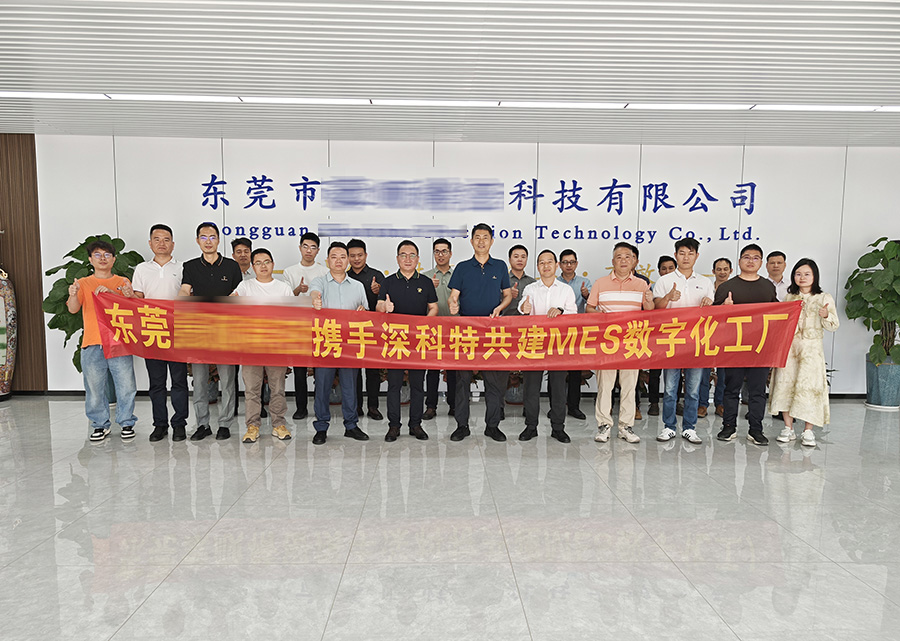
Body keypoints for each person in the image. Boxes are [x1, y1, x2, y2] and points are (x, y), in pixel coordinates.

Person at [67, 239, 138, 442]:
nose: (103, 258)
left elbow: (134, 309)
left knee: (126, 386)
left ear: (114, 259)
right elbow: (73, 309)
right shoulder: (83, 283)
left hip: (119, 343)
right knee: (94, 388)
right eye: (98, 255)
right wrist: (73, 294)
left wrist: (117, 295)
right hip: (92, 343)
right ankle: (99, 425)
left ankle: (126, 422)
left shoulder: (122, 282)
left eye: (107, 255)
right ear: (90, 259)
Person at [447, 223, 513, 442]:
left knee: (493, 381)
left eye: (486, 237)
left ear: (492, 241)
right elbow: (453, 296)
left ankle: (492, 426)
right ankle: (462, 425)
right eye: (477, 237)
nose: (481, 241)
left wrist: (500, 307)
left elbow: (507, 295)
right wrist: (453, 304)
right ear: (471, 241)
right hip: (466, 331)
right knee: (462, 380)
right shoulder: (463, 268)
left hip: (492, 331)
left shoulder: (500, 266)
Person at [179, 222, 243, 441]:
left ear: (218, 240)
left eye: (212, 237)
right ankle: (202, 424)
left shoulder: (232, 266)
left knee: (227, 380)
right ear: (198, 241)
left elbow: (238, 294)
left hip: (226, 331)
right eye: (204, 237)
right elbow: (185, 290)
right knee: (199, 380)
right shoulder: (190, 266)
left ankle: (225, 424)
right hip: (199, 330)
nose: (208, 241)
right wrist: (180, 302)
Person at [587, 242, 655, 444]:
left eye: (628, 257)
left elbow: (649, 312)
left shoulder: (642, 284)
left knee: (629, 386)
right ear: (612, 261)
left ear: (634, 261)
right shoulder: (600, 283)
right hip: (606, 344)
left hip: (631, 343)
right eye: (619, 257)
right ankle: (604, 425)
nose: (623, 260)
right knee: (605, 387)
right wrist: (600, 317)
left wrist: (649, 300)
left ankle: (626, 426)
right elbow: (589, 308)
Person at [769, 259, 839, 447]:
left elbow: (834, 325)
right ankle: (788, 428)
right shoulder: (789, 297)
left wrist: (826, 315)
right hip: (789, 349)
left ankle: (808, 430)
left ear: (814, 276)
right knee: (785, 385)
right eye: (798, 274)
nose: (802, 278)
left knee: (809, 388)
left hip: (811, 351)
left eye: (807, 274)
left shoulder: (824, 298)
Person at [714, 243, 778, 445]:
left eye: (756, 257)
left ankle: (756, 429)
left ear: (761, 262)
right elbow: (713, 318)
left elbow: (777, 313)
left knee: (757, 390)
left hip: (760, 347)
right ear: (740, 260)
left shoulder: (767, 286)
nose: (751, 261)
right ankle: (728, 426)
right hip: (734, 346)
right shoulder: (727, 287)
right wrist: (724, 308)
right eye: (747, 257)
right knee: (731, 388)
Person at [653, 238, 715, 445]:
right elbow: (656, 309)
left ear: (697, 256)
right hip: (671, 341)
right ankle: (669, 427)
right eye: (682, 253)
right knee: (670, 389)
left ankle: (689, 428)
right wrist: (668, 297)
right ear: (675, 255)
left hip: (696, 342)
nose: (686, 257)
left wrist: (710, 304)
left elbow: (712, 314)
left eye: (690, 253)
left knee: (693, 389)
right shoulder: (665, 281)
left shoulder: (705, 282)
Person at [376, 240, 438, 441]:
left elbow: (434, 308)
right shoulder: (388, 281)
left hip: (418, 341)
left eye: (412, 255)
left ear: (418, 259)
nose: (408, 259)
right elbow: (378, 306)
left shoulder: (426, 282)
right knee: (394, 385)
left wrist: (425, 323)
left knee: (417, 385)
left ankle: (415, 425)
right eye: (403, 255)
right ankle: (394, 425)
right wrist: (385, 308)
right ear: (397, 259)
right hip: (396, 340)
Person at [132, 224, 189, 442]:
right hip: (152, 330)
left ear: (173, 244)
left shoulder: (183, 268)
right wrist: (128, 295)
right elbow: (137, 300)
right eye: (157, 239)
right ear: (150, 243)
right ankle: (160, 425)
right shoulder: (141, 269)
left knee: (179, 381)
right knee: (156, 383)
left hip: (177, 331)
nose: (161, 243)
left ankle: (180, 423)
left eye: (166, 239)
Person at [231, 248, 294, 443]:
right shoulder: (245, 286)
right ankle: (252, 426)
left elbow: (293, 316)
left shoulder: (283, 288)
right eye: (258, 263)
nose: (263, 266)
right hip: (250, 346)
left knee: (277, 388)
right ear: (252, 267)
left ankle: (279, 424)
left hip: (276, 346)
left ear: (273, 264)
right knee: (252, 389)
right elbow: (231, 303)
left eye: (266, 262)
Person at [309, 242, 370, 445]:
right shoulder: (319, 282)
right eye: (334, 257)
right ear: (327, 260)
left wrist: (363, 313)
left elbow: (366, 313)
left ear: (348, 260)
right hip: (327, 342)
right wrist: (315, 300)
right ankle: (321, 427)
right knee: (322, 386)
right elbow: (314, 294)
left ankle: (351, 425)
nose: (338, 261)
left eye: (343, 257)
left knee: (350, 386)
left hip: (350, 345)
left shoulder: (358, 286)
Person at [518, 250, 577, 443]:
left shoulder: (565, 290)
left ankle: (558, 428)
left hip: (558, 345)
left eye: (549, 262)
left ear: (556, 265)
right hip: (535, 344)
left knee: (558, 388)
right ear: (537, 267)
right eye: (541, 263)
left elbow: (573, 314)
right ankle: (531, 426)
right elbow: (523, 305)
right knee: (531, 387)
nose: (546, 266)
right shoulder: (531, 288)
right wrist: (524, 308)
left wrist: (561, 311)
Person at [282, 231, 329, 421]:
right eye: (305, 246)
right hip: (298, 326)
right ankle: (301, 407)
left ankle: (320, 406)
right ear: (300, 248)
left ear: (318, 250)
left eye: (313, 247)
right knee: (299, 370)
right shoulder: (289, 271)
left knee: (320, 370)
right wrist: (298, 290)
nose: (309, 250)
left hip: (319, 325)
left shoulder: (324, 272)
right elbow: (286, 299)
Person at [347, 238, 385, 421]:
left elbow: (387, 302)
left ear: (366, 255)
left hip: (373, 330)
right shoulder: (344, 276)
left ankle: (373, 406)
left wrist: (379, 292)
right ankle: (356, 406)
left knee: (372, 371)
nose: (356, 259)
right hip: (350, 331)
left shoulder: (377, 275)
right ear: (348, 257)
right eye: (352, 256)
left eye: (360, 255)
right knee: (353, 372)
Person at [422, 238, 456, 420]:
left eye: (444, 251)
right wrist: (428, 288)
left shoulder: (458, 275)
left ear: (450, 253)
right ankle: (431, 406)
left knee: (453, 369)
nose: (440, 255)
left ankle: (454, 404)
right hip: (432, 329)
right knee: (432, 369)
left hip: (454, 328)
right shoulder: (425, 277)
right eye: (437, 251)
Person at [556, 249, 591, 419]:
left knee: (575, 371)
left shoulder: (585, 282)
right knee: (556, 371)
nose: (568, 265)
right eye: (565, 262)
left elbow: (592, 305)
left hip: (577, 331)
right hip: (557, 332)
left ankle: (574, 407)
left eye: (572, 262)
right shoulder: (554, 282)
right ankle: (556, 406)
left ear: (576, 263)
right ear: (559, 264)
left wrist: (586, 296)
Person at [647, 255, 677, 416]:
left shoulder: (682, 285)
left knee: (675, 370)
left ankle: (675, 402)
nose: (667, 271)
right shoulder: (655, 287)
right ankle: (653, 403)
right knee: (655, 371)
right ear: (659, 271)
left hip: (677, 332)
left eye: (671, 268)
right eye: (663, 268)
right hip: (657, 333)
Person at [708, 257, 733, 417]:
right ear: (713, 271)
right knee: (705, 371)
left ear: (731, 271)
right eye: (719, 269)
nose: (722, 272)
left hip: (727, 336)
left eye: (725, 269)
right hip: (707, 334)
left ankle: (720, 404)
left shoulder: (735, 289)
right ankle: (702, 405)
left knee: (723, 373)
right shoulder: (707, 288)